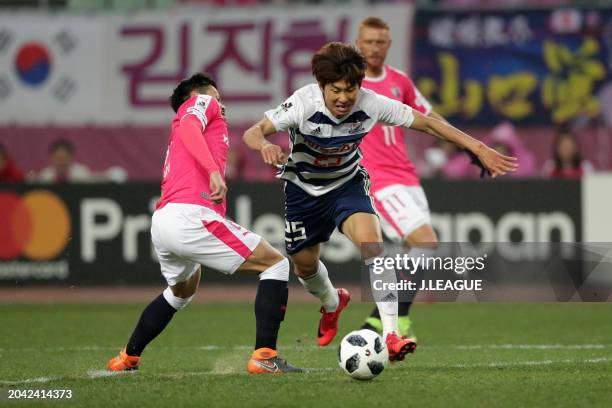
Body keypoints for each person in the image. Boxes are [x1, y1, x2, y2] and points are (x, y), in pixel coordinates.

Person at [243, 42, 517, 361]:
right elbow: (254, 131)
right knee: (305, 267)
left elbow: (428, 123)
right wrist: (263, 144)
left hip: (347, 186)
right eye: (336, 90)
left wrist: (478, 148)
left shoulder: (371, 103)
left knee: (374, 248)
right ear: (322, 86)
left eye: (351, 89)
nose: (344, 97)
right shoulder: (303, 103)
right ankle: (332, 303)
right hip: (303, 193)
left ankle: (390, 334)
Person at [107, 73, 302, 374]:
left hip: (165, 220)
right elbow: (189, 125)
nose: (220, 104)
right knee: (276, 265)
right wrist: (212, 171)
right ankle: (265, 355)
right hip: (190, 216)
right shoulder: (199, 103)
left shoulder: (192, 130)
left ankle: (127, 357)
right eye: (217, 96)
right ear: (199, 95)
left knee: (182, 290)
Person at [355, 16, 445, 338]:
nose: (374, 48)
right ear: (358, 43)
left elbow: (428, 116)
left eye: (380, 42)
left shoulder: (400, 81)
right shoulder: (350, 84)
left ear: (389, 45)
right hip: (377, 179)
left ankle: (377, 321)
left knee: (419, 251)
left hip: (408, 176)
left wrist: (467, 145)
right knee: (426, 240)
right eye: (368, 42)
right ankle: (400, 322)